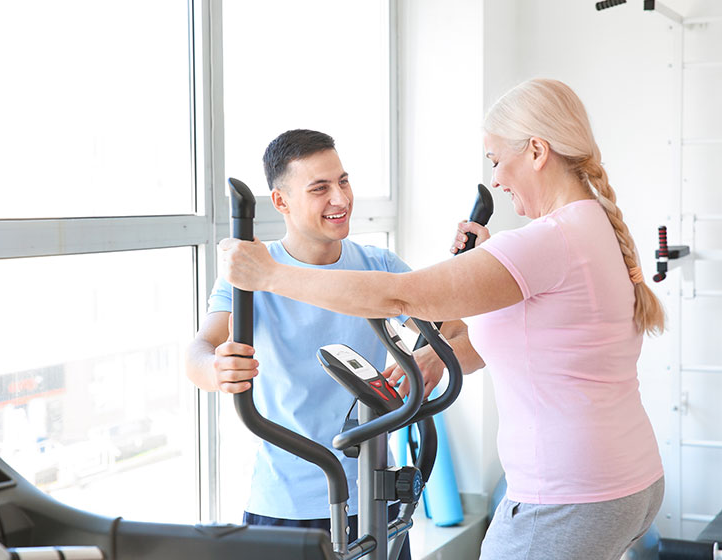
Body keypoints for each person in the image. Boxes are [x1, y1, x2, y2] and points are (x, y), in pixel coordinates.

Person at [218, 80, 666, 560]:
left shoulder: (544, 241)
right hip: (626, 480)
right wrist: (435, 357)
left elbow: (401, 297)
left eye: (496, 160)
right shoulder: (586, 224)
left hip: (567, 493)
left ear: (537, 150)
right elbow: (535, 334)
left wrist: (268, 274)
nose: (495, 179)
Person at [186, 129, 473, 558]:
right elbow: (199, 351)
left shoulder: (379, 266)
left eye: (343, 181)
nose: (340, 199)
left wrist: (432, 358)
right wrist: (216, 368)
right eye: (320, 188)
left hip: (374, 495)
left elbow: (462, 338)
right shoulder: (251, 270)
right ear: (280, 201)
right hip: (284, 504)